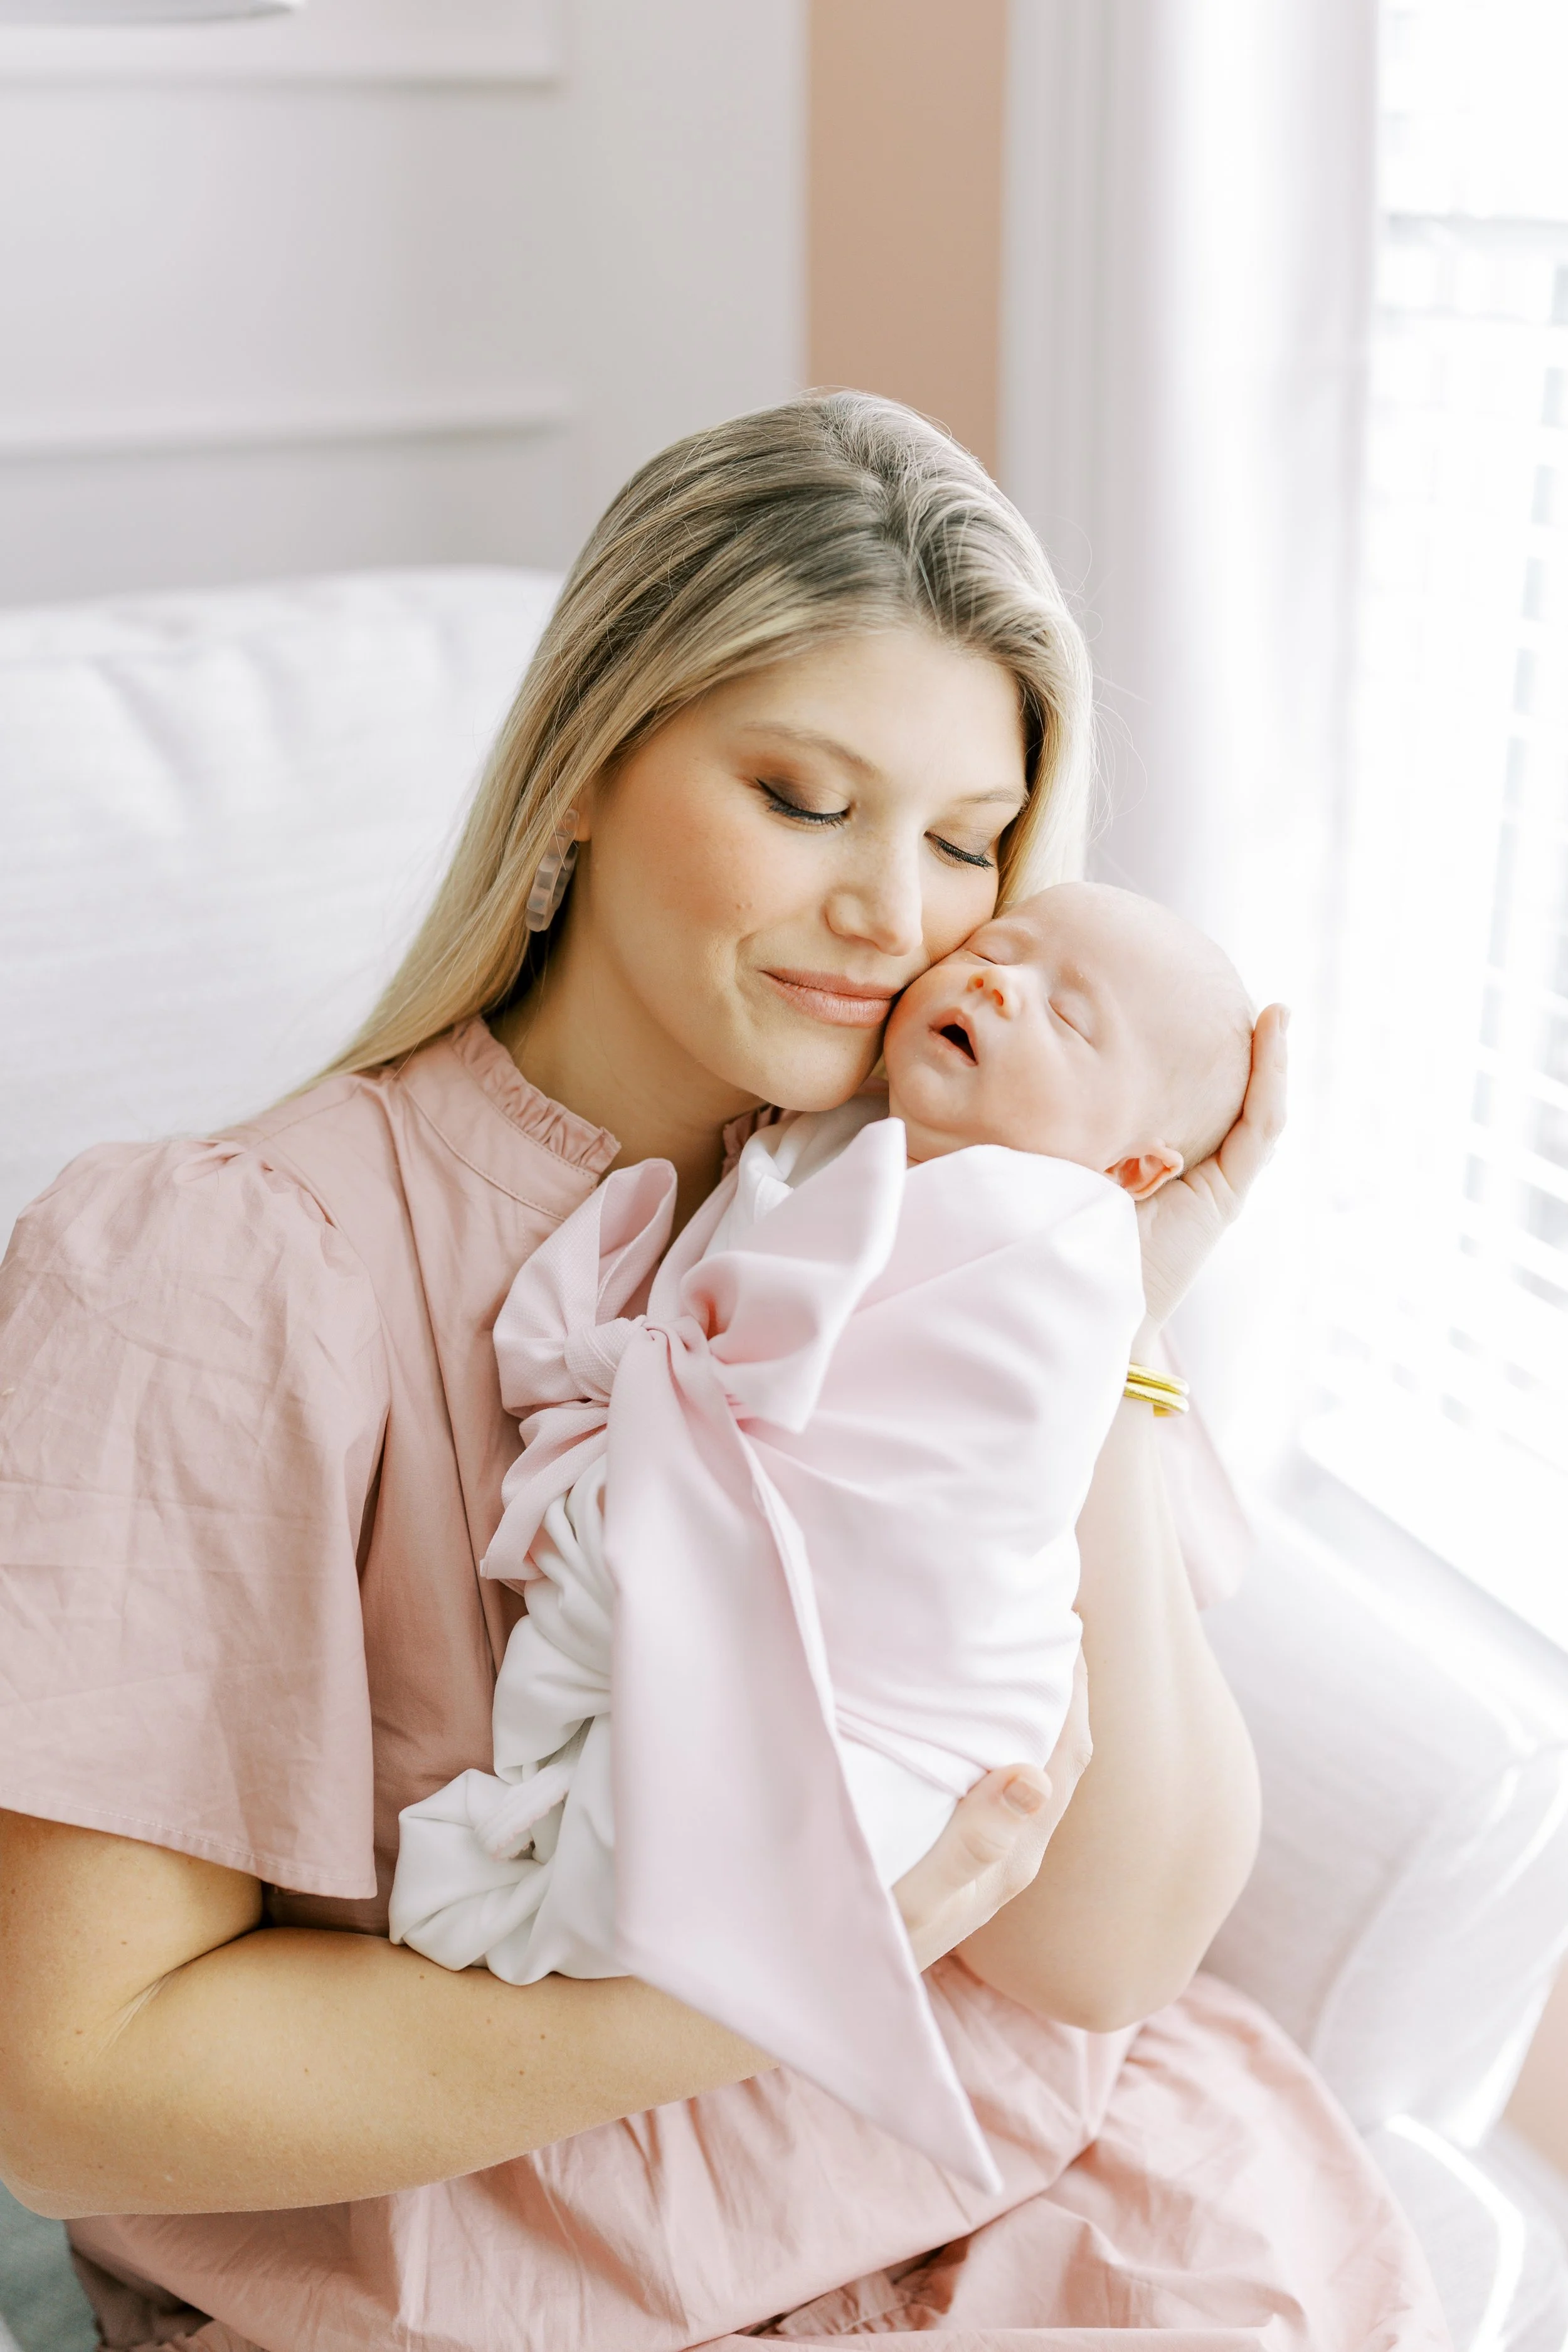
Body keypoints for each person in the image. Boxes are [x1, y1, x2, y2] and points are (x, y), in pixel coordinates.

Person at [0, 395, 1446, 2351]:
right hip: (495, 2289)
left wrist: (1106, 1323)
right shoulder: (216, 1270)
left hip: (1035, 2192)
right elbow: (77, 2083)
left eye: (965, 839)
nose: (895, 915)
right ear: (584, 767)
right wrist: (771, 1978)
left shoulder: (972, 1209)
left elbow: (1103, 1950)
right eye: (799, 797)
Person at [387, 884, 1253, 2192]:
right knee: (620, 1702)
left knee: (727, 1832)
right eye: (998, 951)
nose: (998, 983)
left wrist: (1136, 1310)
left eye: (1068, 1019)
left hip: (901, 1690)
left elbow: (956, 1472)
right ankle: (542, 1853)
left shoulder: (1063, 1257)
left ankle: (539, 1894)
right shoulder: (826, 1145)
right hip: (711, 1559)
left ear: (1130, 1173)